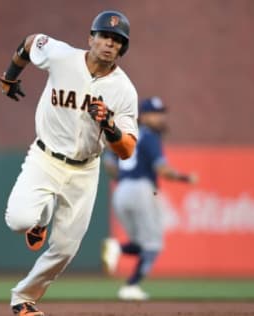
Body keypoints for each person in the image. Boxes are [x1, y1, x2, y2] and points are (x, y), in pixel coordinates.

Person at [0, 11, 138, 316]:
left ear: (122, 50)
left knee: (65, 249)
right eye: (104, 36)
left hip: (85, 169)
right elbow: (30, 42)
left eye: (117, 41)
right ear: (91, 38)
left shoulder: (124, 90)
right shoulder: (62, 56)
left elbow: (127, 149)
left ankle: (23, 299)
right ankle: (40, 220)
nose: (109, 44)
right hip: (45, 157)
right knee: (18, 221)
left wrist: (110, 127)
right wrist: (10, 76)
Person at [101, 96, 198, 301]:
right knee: (154, 245)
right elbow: (162, 170)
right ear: (143, 117)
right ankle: (131, 286)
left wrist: (124, 179)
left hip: (121, 191)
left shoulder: (127, 135)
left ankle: (117, 247)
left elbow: (109, 162)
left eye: (161, 113)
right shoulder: (150, 136)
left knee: (140, 244)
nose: (160, 117)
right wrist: (185, 177)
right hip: (142, 189)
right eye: (155, 113)